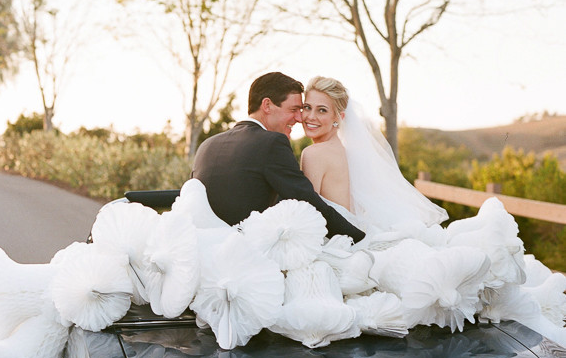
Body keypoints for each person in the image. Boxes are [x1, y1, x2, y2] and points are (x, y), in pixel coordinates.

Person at [191, 71, 365, 242]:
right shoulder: (272, 143)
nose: (300, 118)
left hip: (204, 248)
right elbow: (306, 203)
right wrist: (359, 239)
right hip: (247, 251)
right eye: (297, 109)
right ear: (267, 106)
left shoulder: (207, 145)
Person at [300, 75, 448, 232]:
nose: (311, 116)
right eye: (307, 107)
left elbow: (307, 213)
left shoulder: (314, 153)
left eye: (322, 110)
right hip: (350, 233)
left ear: (338, 118)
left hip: (334, 237)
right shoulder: (345, 151)